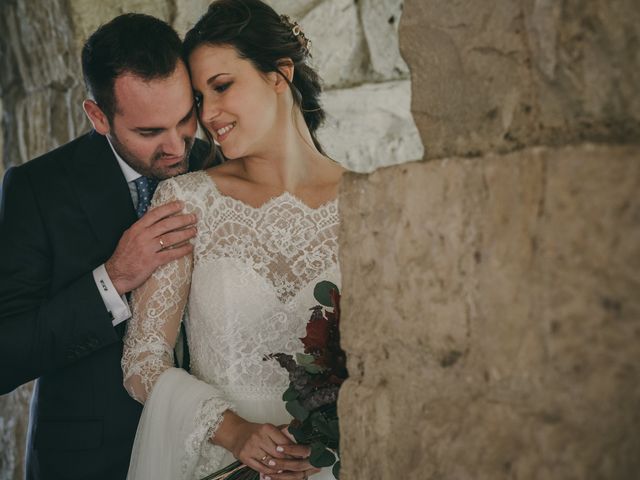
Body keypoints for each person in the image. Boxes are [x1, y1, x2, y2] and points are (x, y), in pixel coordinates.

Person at [121, 0, 345, 479]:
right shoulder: (186, 200)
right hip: (219, 465)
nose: (210, 114)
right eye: (200, 100)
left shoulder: (367, 203)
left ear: (278, 74)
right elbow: (142, 362)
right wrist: (233, 430)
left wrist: (330, 430)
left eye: (222, 86)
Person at [0, 13, 220, 480]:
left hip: (213, 453)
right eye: (148, 132)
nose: (178, 147)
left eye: (185, 119)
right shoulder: (36, 189)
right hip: (91, 462)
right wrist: (113, 278)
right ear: (99, 117)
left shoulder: (219, 167)